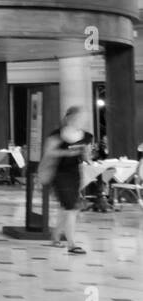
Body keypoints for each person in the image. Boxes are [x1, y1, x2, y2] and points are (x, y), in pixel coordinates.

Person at [41, 107, 92, 254]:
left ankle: (56, 236)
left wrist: (87, 158)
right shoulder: (57, 135)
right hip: (58, 173)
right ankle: (72, 244)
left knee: (66, 207)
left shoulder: (87, 136)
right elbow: (49, 152)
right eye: (77, 117)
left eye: (82, 118)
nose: (80, 121)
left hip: (75, 173)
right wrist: (67, 152)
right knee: (71, 207)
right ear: (69, 118)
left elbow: (86, 155)